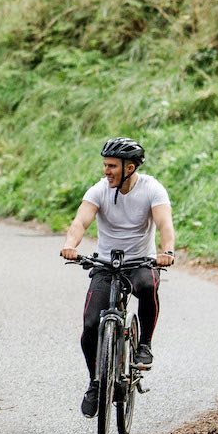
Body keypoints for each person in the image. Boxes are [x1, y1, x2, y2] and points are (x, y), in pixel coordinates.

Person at [58, 137, 176, 418]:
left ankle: (144, 345)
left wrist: (166, 251)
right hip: (105, 263)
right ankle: (96, 383)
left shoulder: (152, 189)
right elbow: (81, 221)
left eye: (112, 166)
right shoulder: (99, 190)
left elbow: (164, 224)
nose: (106, 171)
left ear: (130, 167)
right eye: (105, 165)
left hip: (139, 262)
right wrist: (71, 245)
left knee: (148, 285)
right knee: (89, 326)